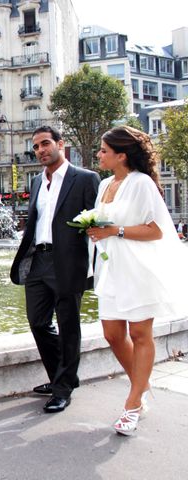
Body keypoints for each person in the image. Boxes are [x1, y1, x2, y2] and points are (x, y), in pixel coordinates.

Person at [87, 126, 188, 435]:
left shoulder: (141, 183)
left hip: (138, 267)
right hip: (111, 268)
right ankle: (141, 387)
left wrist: (113, 230)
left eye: (104, 150)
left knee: (141, 334)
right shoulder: (105, 183)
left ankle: (132, 405)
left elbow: (157, 229)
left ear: (122, 155)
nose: (99, 154)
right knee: (112, 334)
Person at [11, 126, 100, 413]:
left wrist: (93, 263)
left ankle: (62, 388)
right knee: (38, 322)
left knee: (69, 325)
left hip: (68, 263)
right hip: (39, 260)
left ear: (61, 144)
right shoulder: (37, 181)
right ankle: (61, 377)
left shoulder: (85, 179)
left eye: (45, 144)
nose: (40, 150)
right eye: (36, 146)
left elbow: (94, 223)